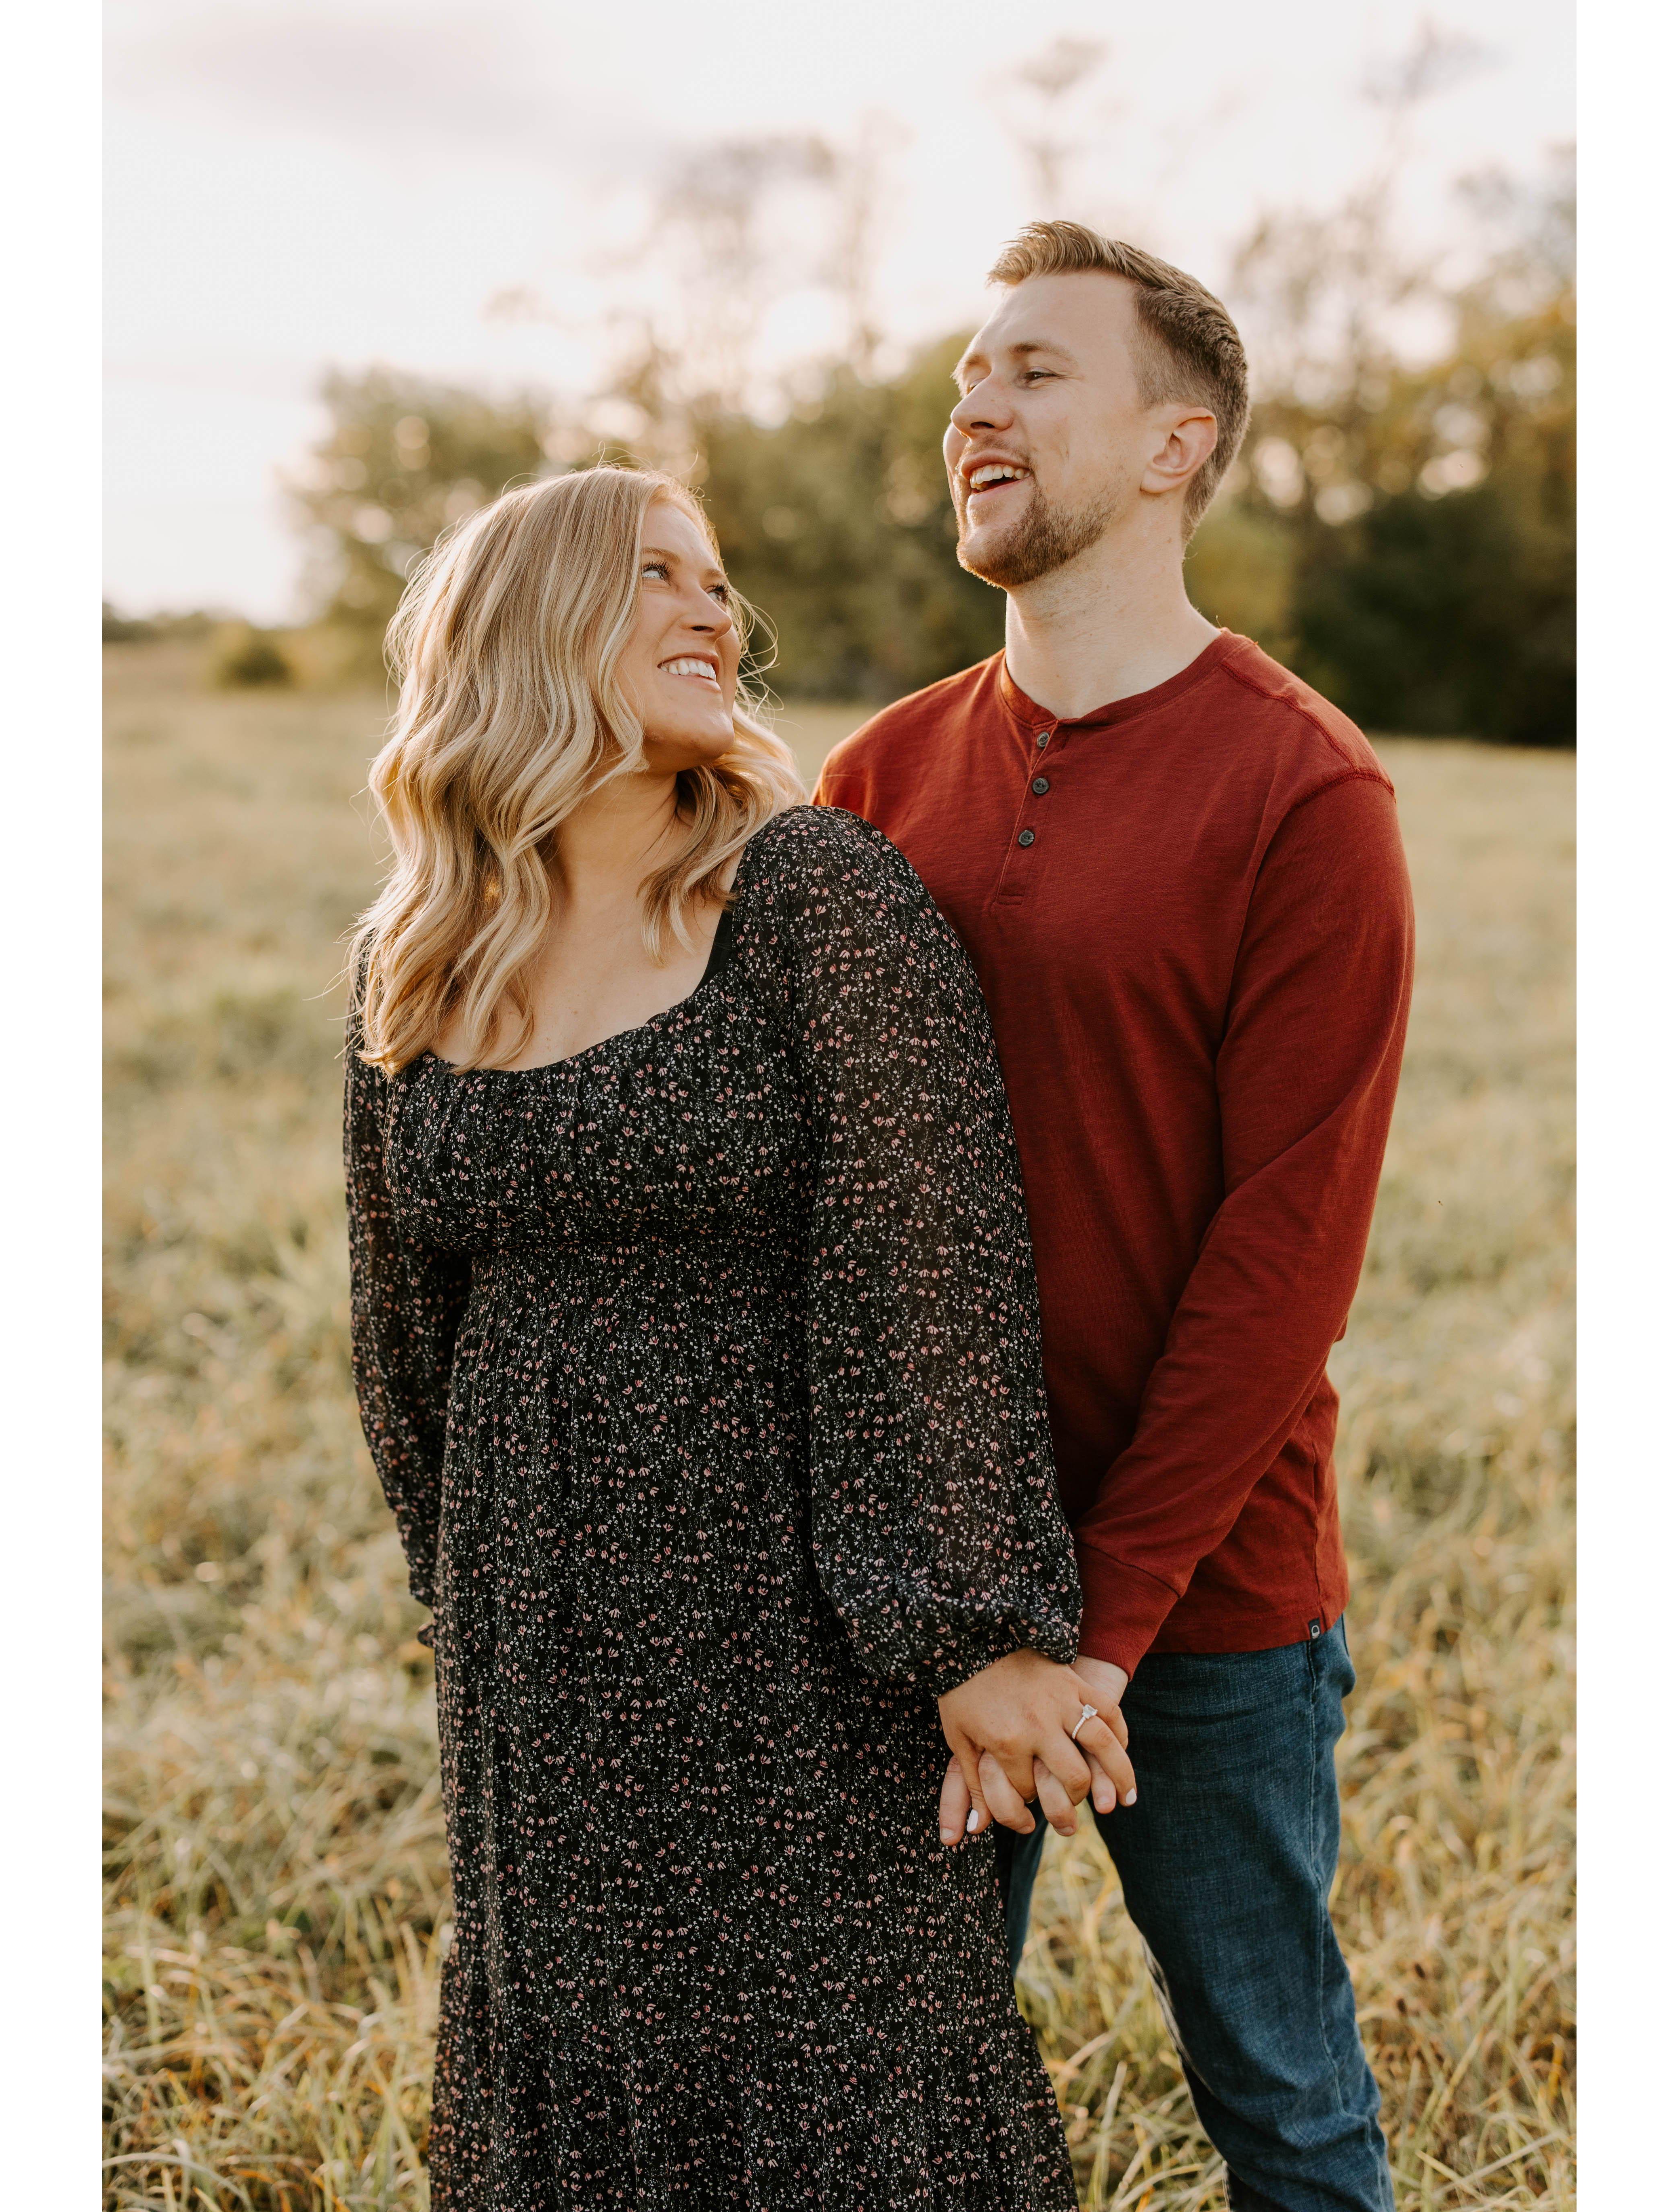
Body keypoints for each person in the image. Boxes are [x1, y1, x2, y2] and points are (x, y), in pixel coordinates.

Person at [342, 462, 1135, 2210]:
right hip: (540, 1651)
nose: (714, 608)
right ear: (526, 628)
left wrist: (968, 1629)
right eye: (655, 574)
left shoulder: (809, 898)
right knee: (583, 2068)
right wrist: (469, 1587)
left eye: (717, 577)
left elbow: (931, 1270)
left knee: (834, 2083)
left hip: (798, 1634)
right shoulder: (419, 954)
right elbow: (401, 1336)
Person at [816, 222, 1415, 2212]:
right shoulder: (876, 778)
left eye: (1036, 370)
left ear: (1178, 444)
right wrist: (953, 1607)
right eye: (966, 378)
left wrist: (1103, 1629)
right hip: (926, 1597)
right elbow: (826, 1207)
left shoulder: (1306, 795)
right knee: (884, 2117)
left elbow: (1283, 1262)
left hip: (1212, 1605)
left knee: (1284, 2102)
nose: (974, 405)